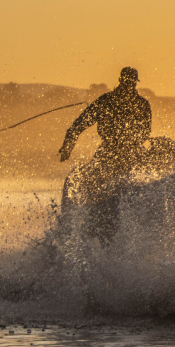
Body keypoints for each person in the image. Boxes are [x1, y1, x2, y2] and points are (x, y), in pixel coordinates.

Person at [59, 67, 152, 241]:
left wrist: (67, 146)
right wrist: (67, 147)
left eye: (131, 82)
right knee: (89, 185)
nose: (129, 85)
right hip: (110, 153)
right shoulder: (107, 101)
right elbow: (78, 125)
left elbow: (145, 132)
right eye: (127, 81)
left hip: (129, 153)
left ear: (134, 83)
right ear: (121, 80)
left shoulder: (138, 104)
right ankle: (85, 221)